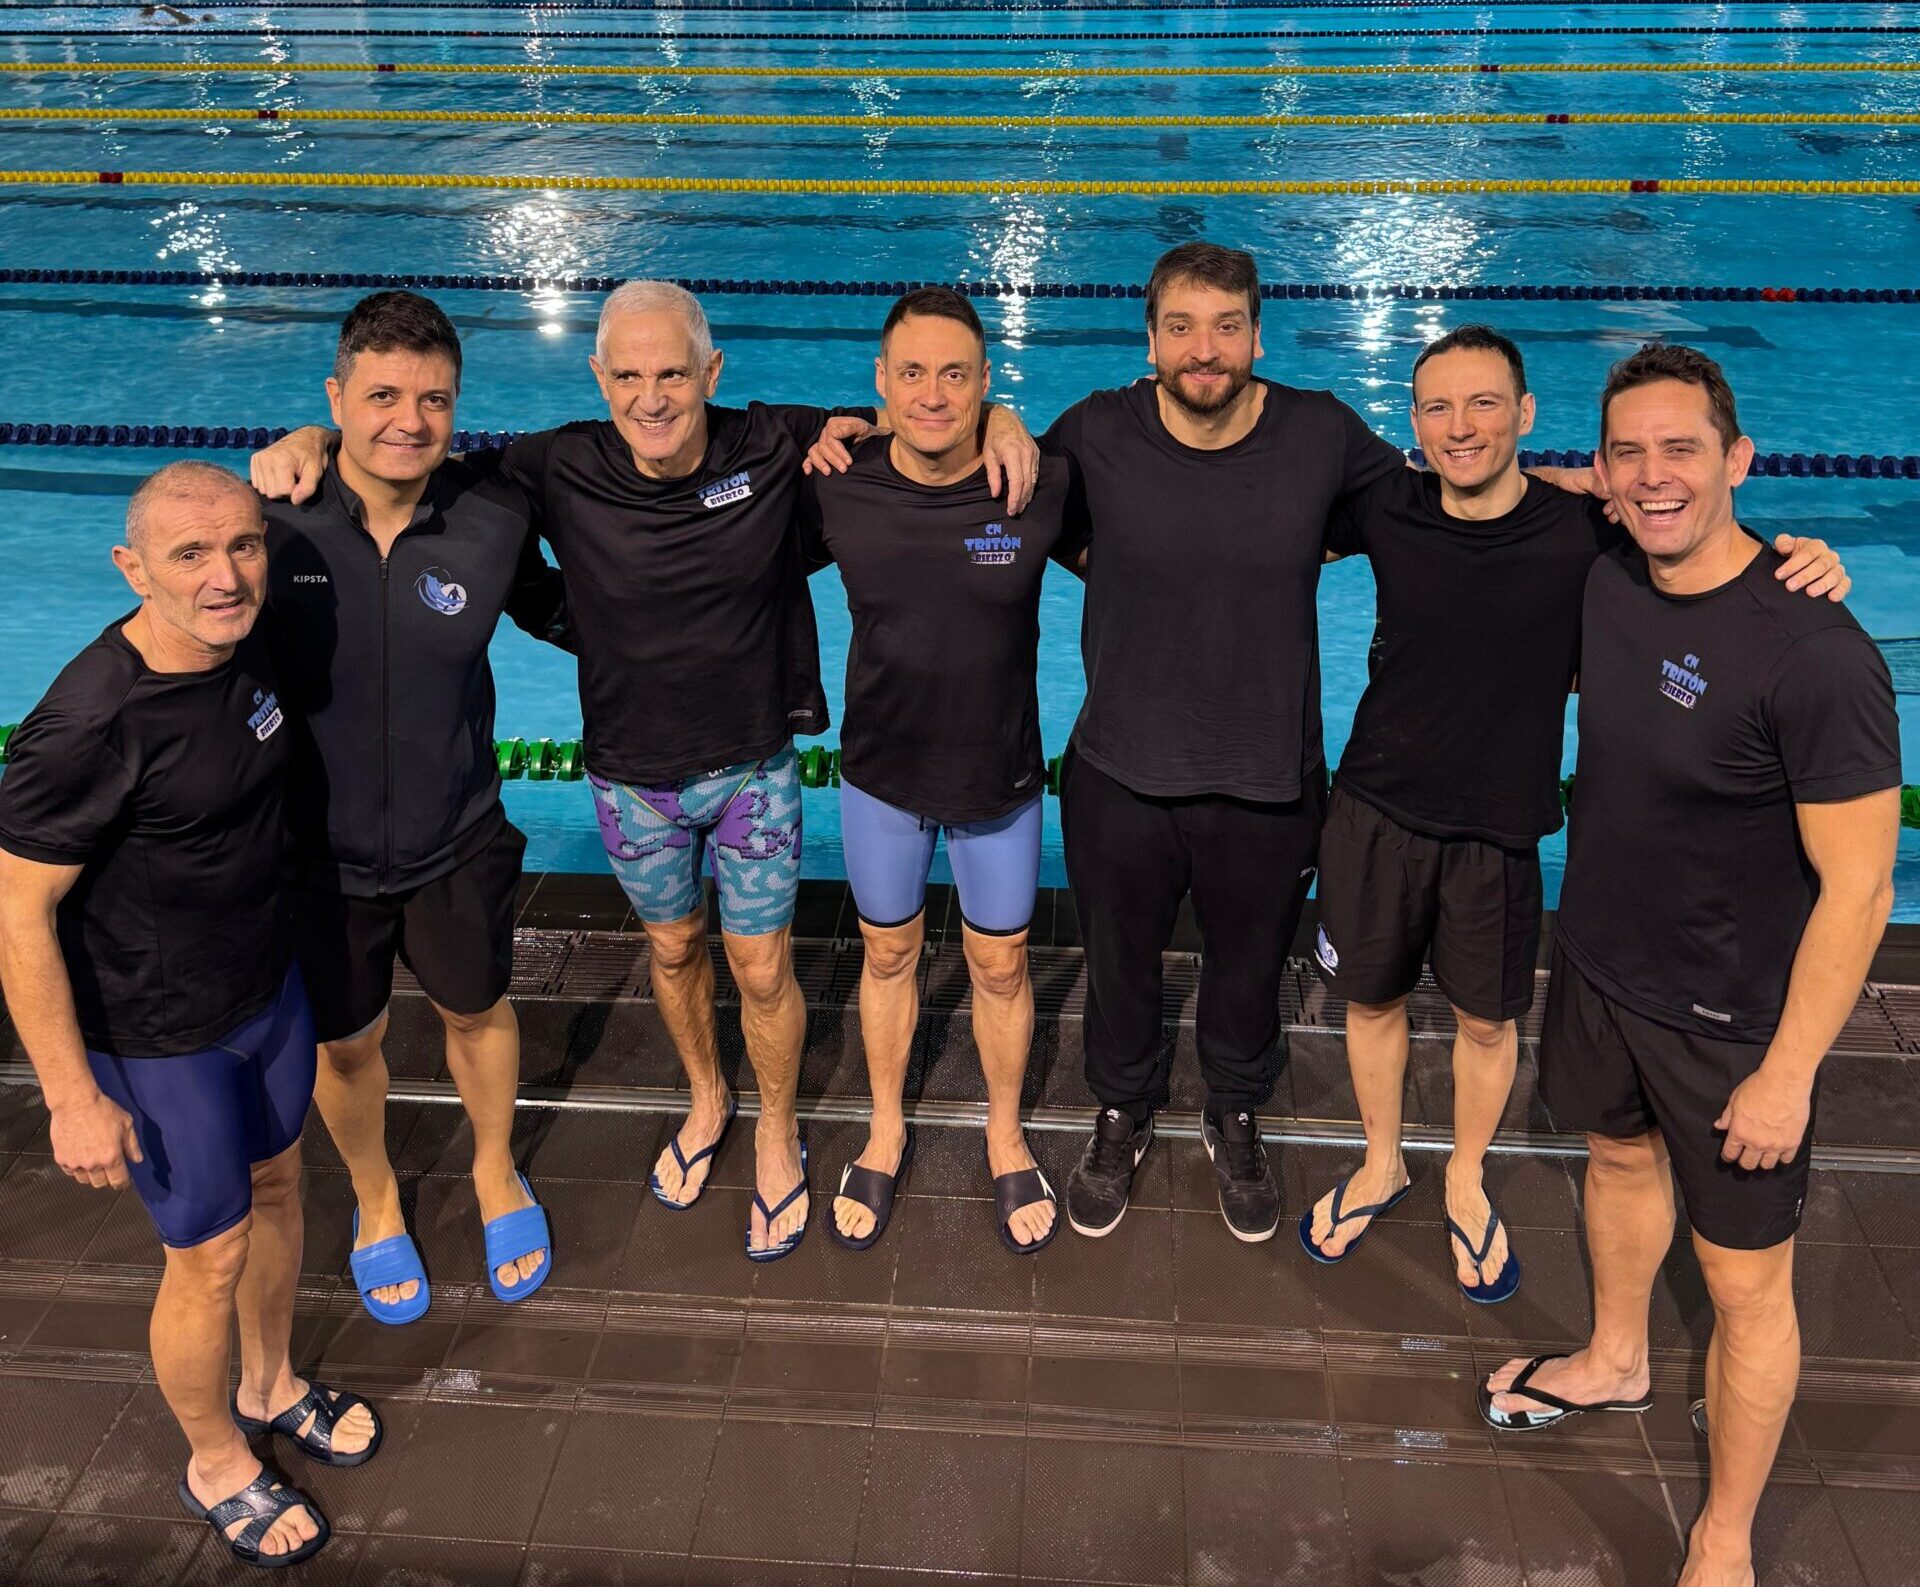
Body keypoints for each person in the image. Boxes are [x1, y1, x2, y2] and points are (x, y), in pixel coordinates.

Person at [254, 280, 1037, 1261]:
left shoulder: (769, 444)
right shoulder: (556, 465)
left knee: (760, 968)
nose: (652, 397)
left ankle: (780, 1129)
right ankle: (709, 1100)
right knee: (672, 955)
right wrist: (311, 440)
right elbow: (413, 455)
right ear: (599, 378)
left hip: (753, 768)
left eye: (673, 373)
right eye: (629, 375)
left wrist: (1004, 414)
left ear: (711, 373)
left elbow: (916, 416)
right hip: (631, 782)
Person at [1301, 326, 1850, 1301]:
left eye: (1483, 405)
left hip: (1501, 828)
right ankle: (1382, 1161)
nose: (1459, 427)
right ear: (1413, 422)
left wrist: (1804, 555)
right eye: (1437, 407)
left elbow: (1705, 550)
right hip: (1374, 808)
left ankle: (1467, 1177)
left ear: (1526, 415)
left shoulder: (1591, 536)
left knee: (1484, 1021)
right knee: (1370, 1001)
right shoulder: (1385, 505)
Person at [1478, 345, 1899, 1587]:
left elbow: (1863, 889)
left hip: (1733, 1026)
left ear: (1740, 461)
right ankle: (1616, 1356)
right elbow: (1490, 472)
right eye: (1630, 454)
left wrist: (1789, 1076)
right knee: (1612, 1160)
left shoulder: (1814, 651)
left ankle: (1723, 1537)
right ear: (1602, 471)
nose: (1655, 477)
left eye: (1682, 450)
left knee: (1744, 1283)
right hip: (1604, 965)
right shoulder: (1609, 564)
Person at [0, 463, 379, 1569]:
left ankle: (270, 1382)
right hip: (159, 1036)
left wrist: (310, 431)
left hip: (262, 993)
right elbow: (18, 912)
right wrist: (70, 1098)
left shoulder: (238, 641)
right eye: (190, 557)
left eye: (244, 548)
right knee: (204, 1256)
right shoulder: (88, 721)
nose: (226, 576)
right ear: (132, 569)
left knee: (278, 1186)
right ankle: (215, 1458)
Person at [1038, 242, 1412, 1244]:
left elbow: (1437, 512)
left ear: (1257, 332)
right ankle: (1121, 1109)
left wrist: (1591, 500)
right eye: (1181, 328)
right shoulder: (1096, 431)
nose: (1204, 350)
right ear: (1150, 339)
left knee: (1250, 968)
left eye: (1225, 327)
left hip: (1269, 777)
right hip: (1120, 770)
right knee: (1119, 965)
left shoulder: (1321, 433)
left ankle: (1233, 1109)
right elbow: (1016, 512)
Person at [262, 291, 572, 1323]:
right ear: (334, 398)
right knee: (344, 1046)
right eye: (382, 395)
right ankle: (377, 1198)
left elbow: (582, 604)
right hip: (317, 859)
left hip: (457, 838)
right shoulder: (269, 523)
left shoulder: (491, 515)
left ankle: (493, 1170)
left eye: (434, 399)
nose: (409, 420)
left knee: (477, 1014)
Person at [801, 287, 1073, 1254]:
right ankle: (885, 1124)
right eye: (910, 373)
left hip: (999, 775)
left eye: (956, 374)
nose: (933, 393)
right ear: (880, 384)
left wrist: (1012, 425)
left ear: (987, 382)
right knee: (888, 954)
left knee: (999, 965)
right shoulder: (835, 481)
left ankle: (1005, 1132)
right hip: (881, 774)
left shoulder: (1037, 484)